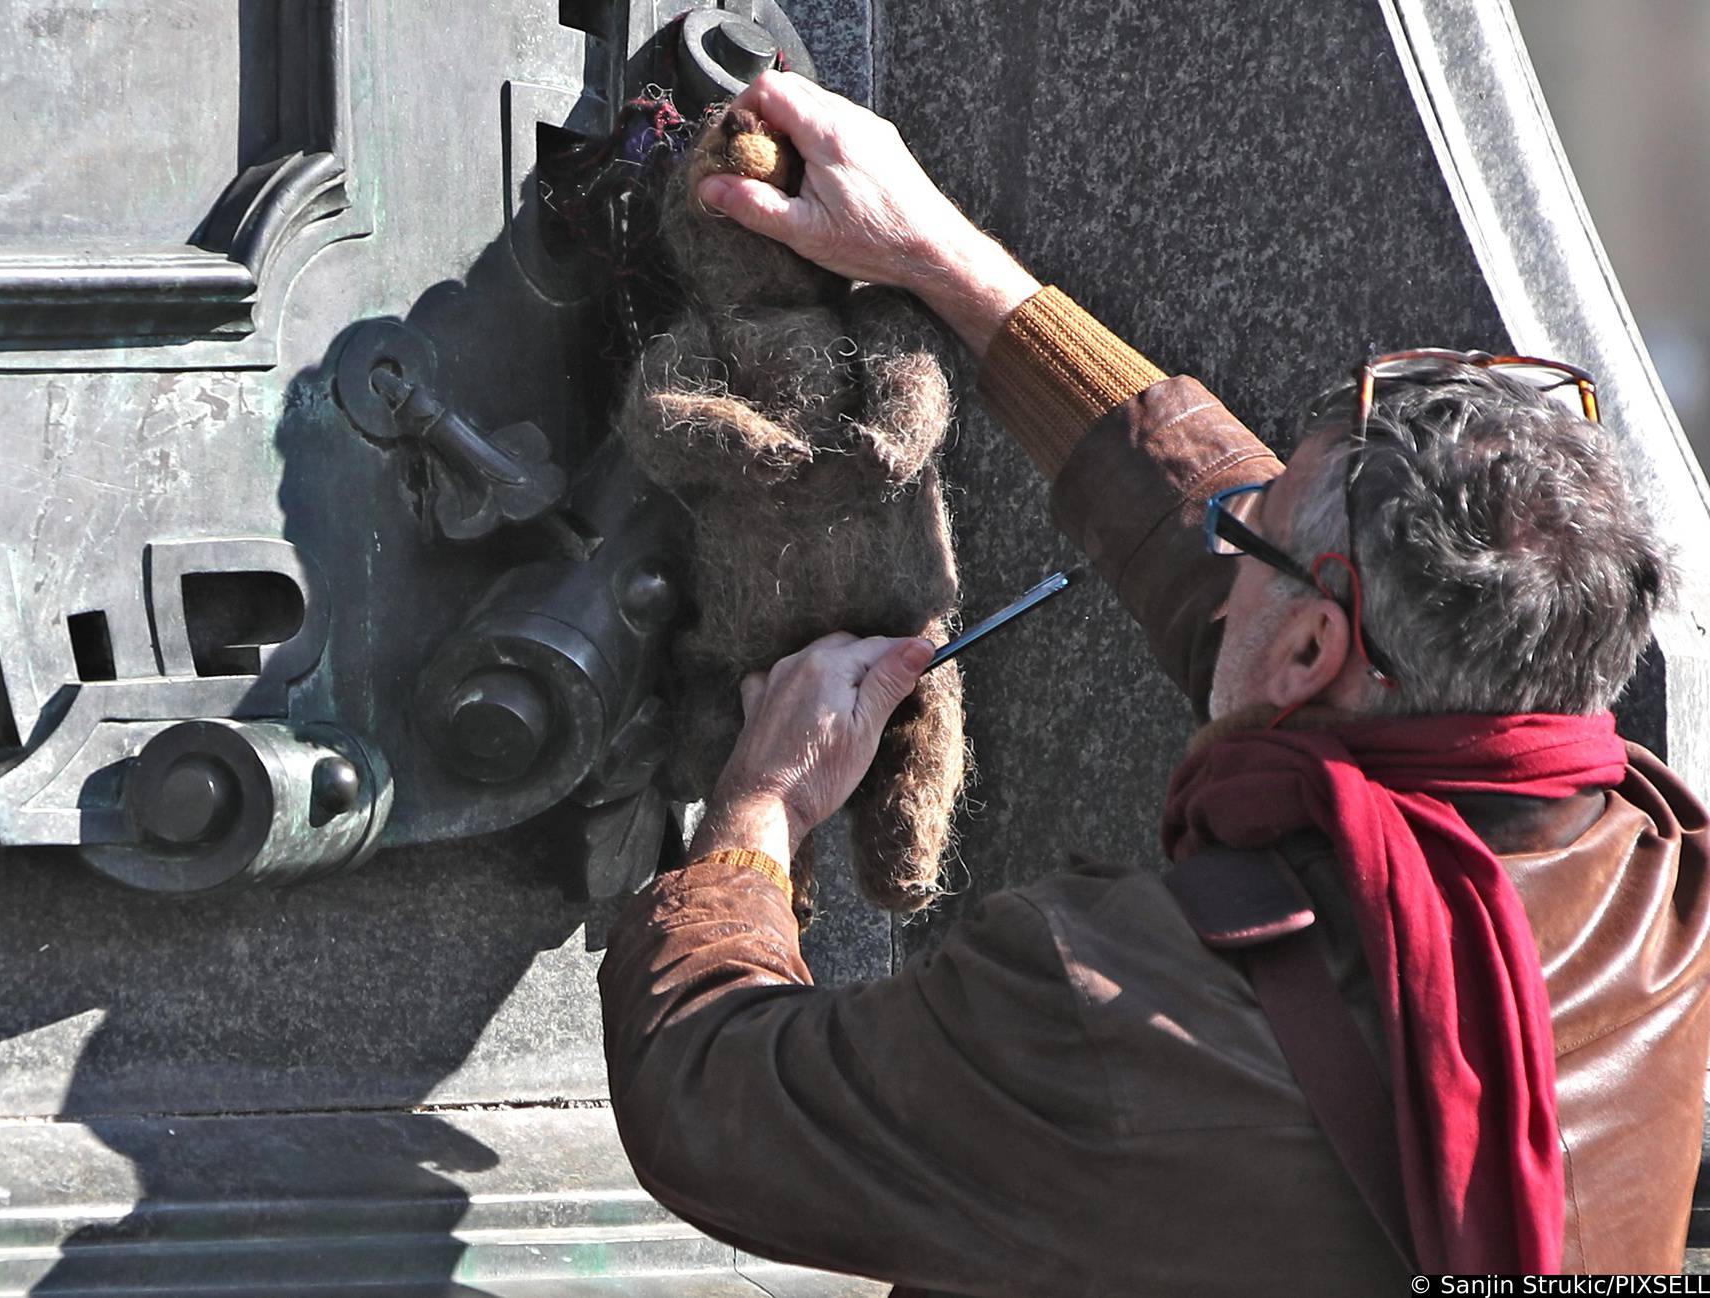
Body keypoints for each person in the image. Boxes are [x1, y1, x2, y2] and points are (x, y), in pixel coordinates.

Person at [598, 70, 1710, 1291]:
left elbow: (711, 1089)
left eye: (1256, 530)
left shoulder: (1103, 1005)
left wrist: (760, 806)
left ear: (1307, 656)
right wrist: (943, 262)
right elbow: (1228, 553)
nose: (1220, 548)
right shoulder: (1666, 886)